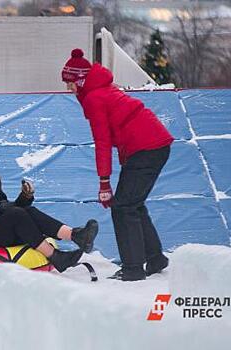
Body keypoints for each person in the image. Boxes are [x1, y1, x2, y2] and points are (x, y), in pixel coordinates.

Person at [61, 48, 174, 281]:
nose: (68, 88)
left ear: (81, 80)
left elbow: (102, 142)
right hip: (153, 145)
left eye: (70, 82)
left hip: (146, 148)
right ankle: (155, 258)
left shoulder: (93, 98)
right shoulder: (99, 90)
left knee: (122, 207)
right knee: (133, 204)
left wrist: (104, 182)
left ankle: (133, 269)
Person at [0, 146, 99, 273]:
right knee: (17, 215)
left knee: (27, 211)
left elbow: (2, 208)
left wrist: (24, 197)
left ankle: (76, 235)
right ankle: (55, 256)